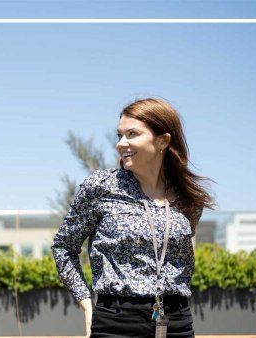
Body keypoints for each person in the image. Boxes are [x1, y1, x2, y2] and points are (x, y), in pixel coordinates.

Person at [52, 98, 214, 338]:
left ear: (163, 141)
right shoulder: (101, 186)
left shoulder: (188, 198)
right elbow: (63, 247)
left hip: (176, 322)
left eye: (132, 134)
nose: (121, 143)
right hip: (116, 323)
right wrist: (86, 303)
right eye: (119, 135)